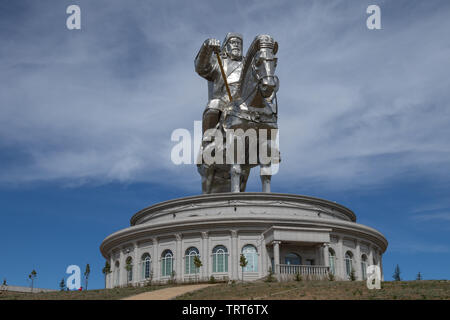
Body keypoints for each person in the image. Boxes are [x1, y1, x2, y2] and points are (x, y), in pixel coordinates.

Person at [195, 33, 244, 135]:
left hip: (245, 99)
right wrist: (206, 47)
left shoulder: (248, 64)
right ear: (226, 46)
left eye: (239, 43)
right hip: (225, 100)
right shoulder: (218, 61)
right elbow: (201, 67)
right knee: (214, 104)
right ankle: (209, 138)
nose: (236, 45)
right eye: (233, 42)